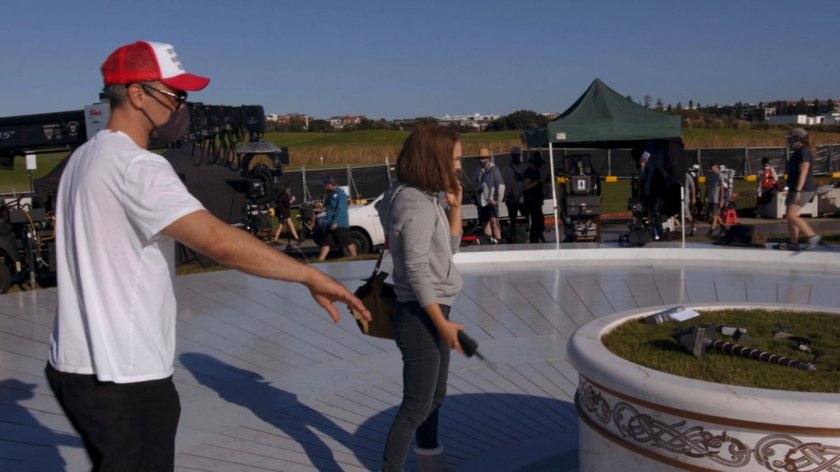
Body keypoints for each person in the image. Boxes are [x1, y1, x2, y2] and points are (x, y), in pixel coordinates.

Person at [45, 40, 370, 472]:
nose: (184, 106)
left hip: (73, 364)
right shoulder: (138, 167)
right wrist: (309, 276)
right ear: (138, 94)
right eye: (176, 95)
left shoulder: (84, 158)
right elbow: (216, 241)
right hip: (125, 374)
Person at [378, 124, 466, 472]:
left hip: (430, 310)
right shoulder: (414, 204)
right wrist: (440, 321)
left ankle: (430, 461)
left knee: (436, 396)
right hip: (420, 315)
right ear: (436, 158)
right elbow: (416, 272)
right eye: (455, 159)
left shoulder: (422, 197)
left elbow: (449, 252)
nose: (459, 166)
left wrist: (455, 208)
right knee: (415, 406)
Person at [784, 128, 821, 250]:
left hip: (803, 189)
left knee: (791, 215)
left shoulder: (804, 152)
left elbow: (803, 173)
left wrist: (798, 190)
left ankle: (812, 236)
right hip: (795, 188)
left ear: (797, 139)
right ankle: (793, 243)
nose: (789, 142)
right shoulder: (799, 152)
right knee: (790, 216)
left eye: (790, 139)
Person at [318, 176, 358, 261]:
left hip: (339, 223)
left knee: (347, 241)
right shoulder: (331, 194)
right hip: (331, 224)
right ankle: (320, 260)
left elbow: (341, 209)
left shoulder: (341, 194)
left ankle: (355, 257)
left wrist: (336, 222)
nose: (325, 186)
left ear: (331, 184)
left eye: (326, 184)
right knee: (327, 242)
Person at [473, 148, 504, 244]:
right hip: (481, 200)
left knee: (494, 221)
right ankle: (489, 240)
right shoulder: (478, 169)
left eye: (484, 157)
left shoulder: (494, 169)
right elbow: (473, 182)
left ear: (488, 158)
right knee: (485, 222)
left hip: (491, 200)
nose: (482, 159)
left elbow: (501, 185)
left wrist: (498, 199)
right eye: (480, 158)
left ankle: (498, 240)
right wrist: (477, 190)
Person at [501, 146, 527, 243]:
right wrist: (506, 195)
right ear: (511, 156)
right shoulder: (506, 169)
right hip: (511, 198)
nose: (516, 157)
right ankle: (514, 236)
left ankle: (524, 234)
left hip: (522, 198)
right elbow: (503, 184)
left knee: (527, 216)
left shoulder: (525, 168)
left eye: (517, 155)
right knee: (512, 219)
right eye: (514, 156)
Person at [523, 152, 548, 243]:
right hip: (531, 200)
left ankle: (537, 239)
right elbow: (526, 187)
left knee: (539, 220)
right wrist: (538, 181)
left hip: (537, 200)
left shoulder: (536, 171)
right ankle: (534, 239)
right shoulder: (529, 172)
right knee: (537, 221)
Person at [705, 161, 726, 236]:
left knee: (714, 216)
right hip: (710, 198)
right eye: (710, 166)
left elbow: (722, 188)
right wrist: (706, 197)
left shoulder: (719, 175)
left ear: (716, 166)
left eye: (713, 166)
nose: (711, 167)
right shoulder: (709, 175)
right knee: (716, 215)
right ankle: (723, 228)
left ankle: (711, 231)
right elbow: (707, 187)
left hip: (716, 198)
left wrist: (721, 199)